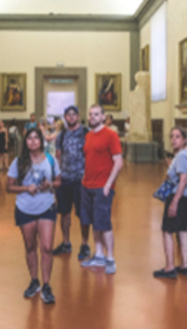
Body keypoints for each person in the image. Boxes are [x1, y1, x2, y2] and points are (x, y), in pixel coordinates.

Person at [6, 127, 61, 304]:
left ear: (41, 141)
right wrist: (25, 188)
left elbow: (58, 181)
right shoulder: (18, 161)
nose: (33, 141)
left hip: (46, 206)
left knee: (47, 247)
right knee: (30, 246)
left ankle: (46, 285)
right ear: (25, 142)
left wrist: (49, 185)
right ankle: (34, 281)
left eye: (36, 138)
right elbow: (9, 187)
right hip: (25, 208)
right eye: (29, 138)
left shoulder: (51, 160)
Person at [79, 105, 123, 275]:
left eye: (96, 114)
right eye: (90, 114)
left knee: (104, 223)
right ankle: (99, 255)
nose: (92, 117)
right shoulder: (88, 136)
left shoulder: (111, 135)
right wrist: (84, 179)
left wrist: (108, 185)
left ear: (103, 117)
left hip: (102, 186)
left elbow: (118, 162)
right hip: (87, 185)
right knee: (94, 222)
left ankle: (110, 258)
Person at [154, 127, 187, 279]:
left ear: (184, 140)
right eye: (172, 136)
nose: (173, 139)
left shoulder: (181, 156)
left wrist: (174, 202)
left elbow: (183, 180)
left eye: (178, 136)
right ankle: (184, 265)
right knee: (182, 230)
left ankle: (170, 267)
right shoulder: (184, 155)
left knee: (167, 231)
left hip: (179, 197)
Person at [52, 106, 91, 260]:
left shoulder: (86, 133)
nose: (71, 117)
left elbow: (91, 154)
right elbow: (58, 156)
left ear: (78, 116)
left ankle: (85, 244)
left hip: (82, 179)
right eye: (68, 115)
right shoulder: (61, 135)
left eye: (74, 114)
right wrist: (57, 177)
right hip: (65, 178)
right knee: (64, 212)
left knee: (83, 213)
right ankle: (66, 242)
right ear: (65, 117)